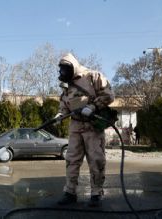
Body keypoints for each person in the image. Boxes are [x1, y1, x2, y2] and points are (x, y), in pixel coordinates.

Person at [56, 53, 114, 207]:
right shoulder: (67, 84)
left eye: (64, 70)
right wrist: (60, 113)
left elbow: (109, 95)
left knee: (96, 159)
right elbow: (64, 101)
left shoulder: (93, 76)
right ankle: (70, 192)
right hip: (75, 125)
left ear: (72, 67)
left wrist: (93, 106)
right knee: (72, 159)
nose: (62, 74)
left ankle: (96, 193)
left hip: (92, 125)